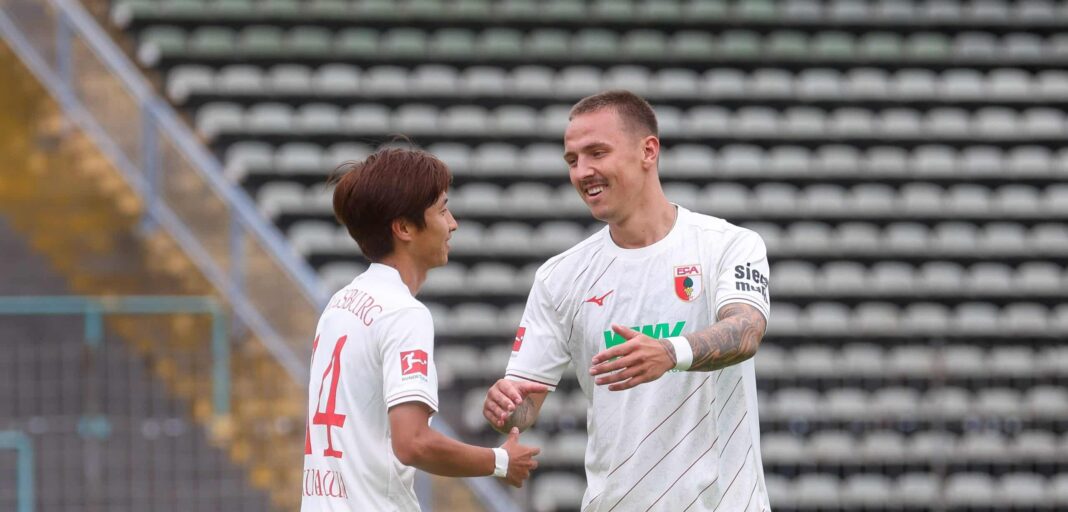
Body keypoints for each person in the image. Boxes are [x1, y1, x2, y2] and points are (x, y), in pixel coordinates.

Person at [482, 91, 772, 511]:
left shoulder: (729, 245)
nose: (583, 172)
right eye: (572, 160)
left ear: (648, 151)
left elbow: (745, 332)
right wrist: (506, 407)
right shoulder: (560, 276)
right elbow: (525, 407)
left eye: (597, 153)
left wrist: (670, 352)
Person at [302, 147, 540, 511]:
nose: (453, 222)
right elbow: (412, 442)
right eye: (442, 209)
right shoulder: (403, 313)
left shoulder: (340, 303)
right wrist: (501, 461)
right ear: (404, 228)